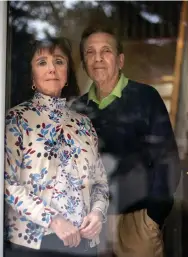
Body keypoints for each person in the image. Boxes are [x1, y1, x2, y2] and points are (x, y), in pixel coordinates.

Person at [72, 25, 181, 257]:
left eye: (106, 51)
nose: (98, 58)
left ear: (120, 60)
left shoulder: (145, 97)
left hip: (138, 221)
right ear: (84, 63)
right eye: (90, 52)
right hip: (91, 224)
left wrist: (153, 217)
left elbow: (167, 158)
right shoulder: (77, 109)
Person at [4, 37, 109, 257]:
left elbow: (100, 183)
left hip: (85, 245)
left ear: (67, 73)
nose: (52, 68)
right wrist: (53, 220)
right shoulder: (17, 119)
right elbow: (6, 183)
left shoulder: (84, 124)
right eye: (42, 62)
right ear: (31, 74)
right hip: (34, 245)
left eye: (59, 61)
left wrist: (98, 213)